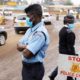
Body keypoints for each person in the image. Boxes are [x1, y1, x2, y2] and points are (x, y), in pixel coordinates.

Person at [17, 4, 50, 80]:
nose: (27, 19)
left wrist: (24, 46)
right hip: (26, 67)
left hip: (34, 69)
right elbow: (18, 46)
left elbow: (27, 54)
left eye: (28, 16)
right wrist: (27, 46)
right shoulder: (30, 30)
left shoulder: (40, 34)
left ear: (34, 16)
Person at [49, 15, 77, 80]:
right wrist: (73, 55)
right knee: (69, 67)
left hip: (61, 50)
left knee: (63, 64)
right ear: (67, 23)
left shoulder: (62, 30)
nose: (73, 24)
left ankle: (52, 75)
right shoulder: (70, 32)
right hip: (67, 52)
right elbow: (70, 46)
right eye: (72, 23)